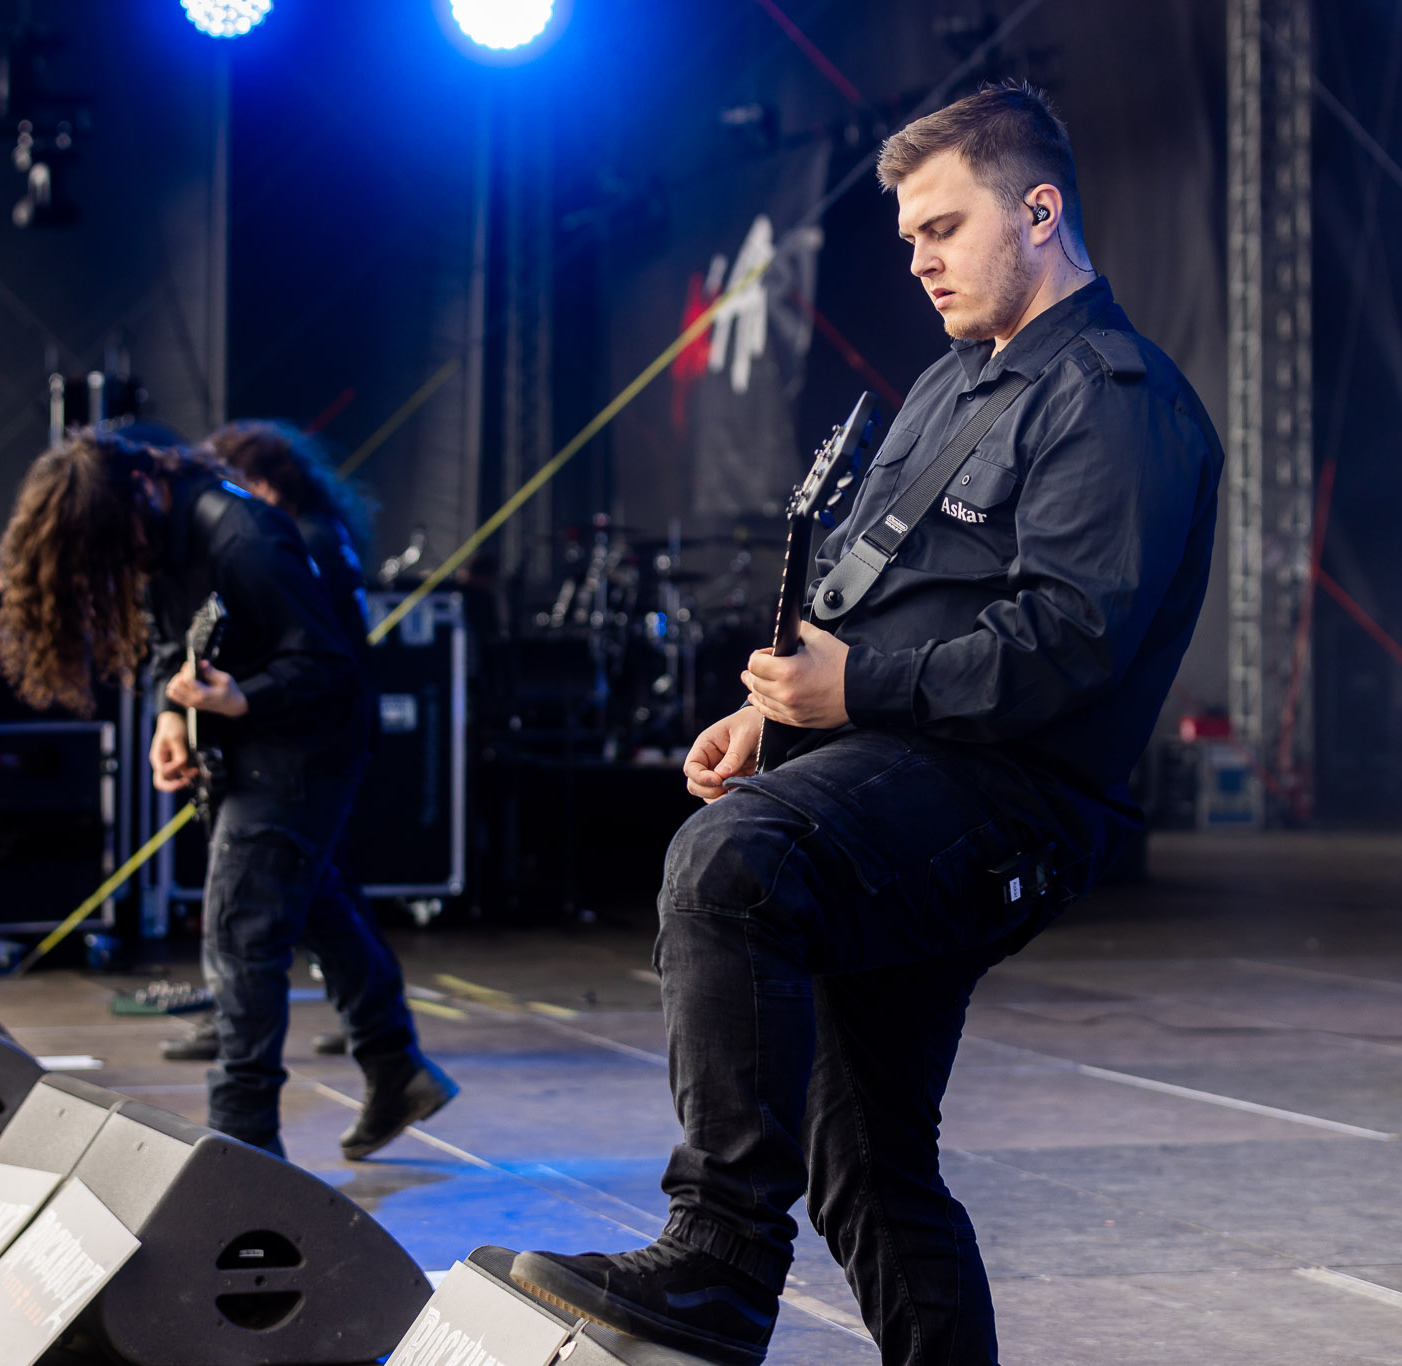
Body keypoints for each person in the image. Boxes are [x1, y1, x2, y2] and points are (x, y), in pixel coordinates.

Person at [509, 82, 1223, 1364]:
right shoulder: (950, 384)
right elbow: (860, 586)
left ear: (1039, 211)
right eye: (907, 240)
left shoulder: (1118, 399)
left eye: (943, 228)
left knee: (732, 866)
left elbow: (1070, 641)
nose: (919, 261)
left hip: (1007, 799)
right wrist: (767, 709)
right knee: (863, 1161)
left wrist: (853, 693)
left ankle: (719, 1263)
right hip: (887, 776)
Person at [0, 429, 454, 1159]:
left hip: (306, 750)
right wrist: (171, 718)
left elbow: (329, 669)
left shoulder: (245, 538)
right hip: (257, 745)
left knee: (241, 930)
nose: (120, 565)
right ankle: (394, 1064)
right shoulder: (153, 538)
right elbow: (167, 645)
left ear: (141, 489)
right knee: (310, 903)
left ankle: (244, 1147)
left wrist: (243, 699)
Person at [156, 419, 380, 1064]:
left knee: (292, 892)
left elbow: (314, 656)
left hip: (311, 741)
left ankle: (362, 1029)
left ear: (267, 483)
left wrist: (242, 696)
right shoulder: (306, 535)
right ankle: (376, 1035)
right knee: (315, 889)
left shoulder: (297, 541)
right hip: (302, 736)